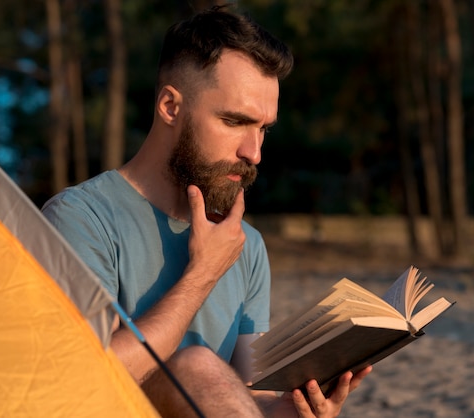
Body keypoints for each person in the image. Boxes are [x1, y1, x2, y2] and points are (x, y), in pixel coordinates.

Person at [41, 5, 371, 418]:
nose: (254, 152)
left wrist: (293, 409)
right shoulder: (79, 219)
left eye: (263, 128)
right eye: (234, 121)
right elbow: (87, 378)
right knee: (196, 365)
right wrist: (202, 274)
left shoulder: (244, 245)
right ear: (170, 107)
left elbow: (247, 392)